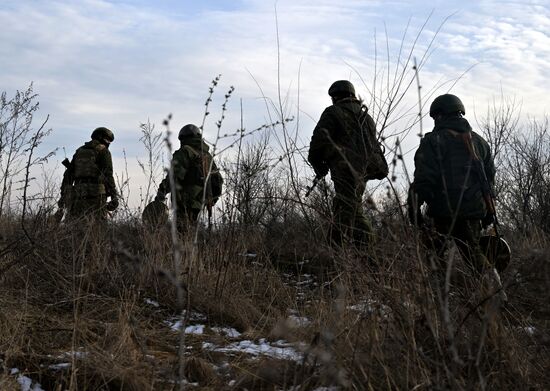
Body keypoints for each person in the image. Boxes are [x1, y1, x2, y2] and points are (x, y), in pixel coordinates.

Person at [408, 94, 496, 277]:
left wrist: (414, 208)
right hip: (473, 211)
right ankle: (494, 293)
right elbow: (489, 180)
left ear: (440, 115)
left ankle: (438, 297)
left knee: (434, 258)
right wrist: (489, 211)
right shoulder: (480, 142)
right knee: (474, 255)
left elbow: (424, 179)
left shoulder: (433, 141)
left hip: (443, 211)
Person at [308, 80, 386, 248]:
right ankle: (334, 248)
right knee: (344, 205)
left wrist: (317, 164)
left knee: (351, 207)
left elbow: (318, 141)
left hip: (345, 170)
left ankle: (369, 250)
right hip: (365, 170)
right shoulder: (366, 116)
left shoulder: (333, 112)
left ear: (335, 97)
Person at [155, 124, 222, 234]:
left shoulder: (185, 152)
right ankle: (199, 249)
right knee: (193, 229)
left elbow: (174, 175)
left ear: (183, 138)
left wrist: (162, 190)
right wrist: (212, 199)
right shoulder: (207, 156)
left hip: (184, 200)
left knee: (181, 232)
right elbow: (218, 181)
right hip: (201, 200)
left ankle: (186, 250)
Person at [58, 127, 119, 220]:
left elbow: (68, 176)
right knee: (97, 226)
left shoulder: (79, 151)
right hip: (96, 196)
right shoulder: (104, 151)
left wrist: (63, 196)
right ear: (100, 137)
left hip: (77, 195)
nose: (108, 143)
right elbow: (108, 175)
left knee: (75, 226)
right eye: (107, 140)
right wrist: (114, 197)